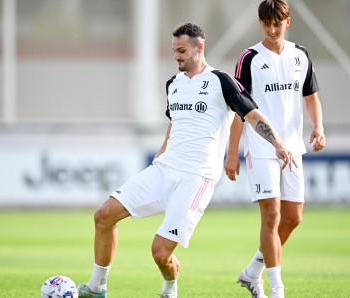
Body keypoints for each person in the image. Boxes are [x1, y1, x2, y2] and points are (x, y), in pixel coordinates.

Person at [78, 22, 296, 298]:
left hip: (197, 178)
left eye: (182, 50)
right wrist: (162, 151)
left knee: (159, 253)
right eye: (174, 51)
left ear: (199, 47)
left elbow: (252, 115)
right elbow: (175, 123)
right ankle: (97, 287)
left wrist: (277, 142)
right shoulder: (173, 84)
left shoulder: (222, 81)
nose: (177, 56)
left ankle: (170, 286)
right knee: (104, 216)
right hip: (164, 169)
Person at [225, 1, 326, 298]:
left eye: (277, 23)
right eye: (266, 23)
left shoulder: (300, 55)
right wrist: (232, 152)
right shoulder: (249, 58)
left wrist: (318, 127)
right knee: (271, 217)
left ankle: (252, 271)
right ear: (260, 22)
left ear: (288, 22)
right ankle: (276, 290)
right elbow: (238, 110)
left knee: (293, 218)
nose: (272, 29)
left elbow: (311, 97)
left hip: (293, 149)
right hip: (260, 148)